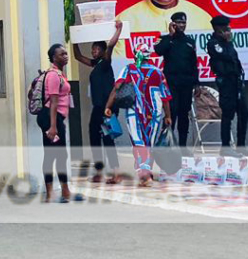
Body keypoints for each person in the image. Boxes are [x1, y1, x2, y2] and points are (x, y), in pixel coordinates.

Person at [105, 43, 172, 187]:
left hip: (134, 112)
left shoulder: (129, 69)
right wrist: (168, 116)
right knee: (149, 143)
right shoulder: (158, 72)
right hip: (155, 114)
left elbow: (117, 88)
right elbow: (165, 96)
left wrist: (108, 106)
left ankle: (144, 175)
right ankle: (146, 172)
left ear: (136, 55)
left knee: (138, 142)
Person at [71, 21, 123, 183]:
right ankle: (100, 172)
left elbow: (111, 46)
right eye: (93, 49)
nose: (94, 51)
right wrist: (74, 38)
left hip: (107, 108)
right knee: (94, 136)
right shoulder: (96, 64)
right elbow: (78, 56)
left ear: (102, 51)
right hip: (98, 107)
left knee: (107, 139)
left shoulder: (106, 63)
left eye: (96, 49)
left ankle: (115, 173)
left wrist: (118, 30)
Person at [207, 15, 248, 156]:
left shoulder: (227, 43)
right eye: (226, 28)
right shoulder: (214, 44)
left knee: (244, 113)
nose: (229, 31)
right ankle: (225, 148)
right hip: (226, 83)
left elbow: (234, 59)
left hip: (236, 82)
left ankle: (241, 146)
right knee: (228, 115)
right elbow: (226, 56)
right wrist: (227, 42)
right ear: (219, 29)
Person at [39, 44, 82, 202]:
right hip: (51, 117)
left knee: (59, 155)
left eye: (66, 53)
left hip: (56, 117)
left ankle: (64, 191)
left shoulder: (60, 74)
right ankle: (51, 193)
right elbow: (54, 102)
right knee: (54, 155)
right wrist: (53, 126)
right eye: (62, 54)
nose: (66, 56)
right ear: (54, 57)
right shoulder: (53, 76)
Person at [154, 11, 199, 147]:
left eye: (184, 23)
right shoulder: (165, 39)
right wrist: (171, 36)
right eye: (179, 22)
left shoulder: (189, 41)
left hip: (186, 84)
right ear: (172, 24)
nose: (182, 25)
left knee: (183, 114)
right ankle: (166, 145)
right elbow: (158, 50)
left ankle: (183, 147)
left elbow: (193, 64)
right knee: (171, 113)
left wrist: (196, 84)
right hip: (171, 85)